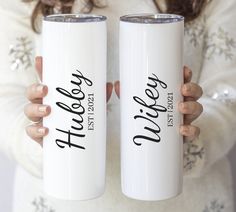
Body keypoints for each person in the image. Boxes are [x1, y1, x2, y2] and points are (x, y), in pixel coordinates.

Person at [0, 0, 235, 211]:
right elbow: (6, 98)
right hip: (58, 199)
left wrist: (187, 133)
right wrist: (41, 137)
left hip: (187, 201)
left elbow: (229, 94)